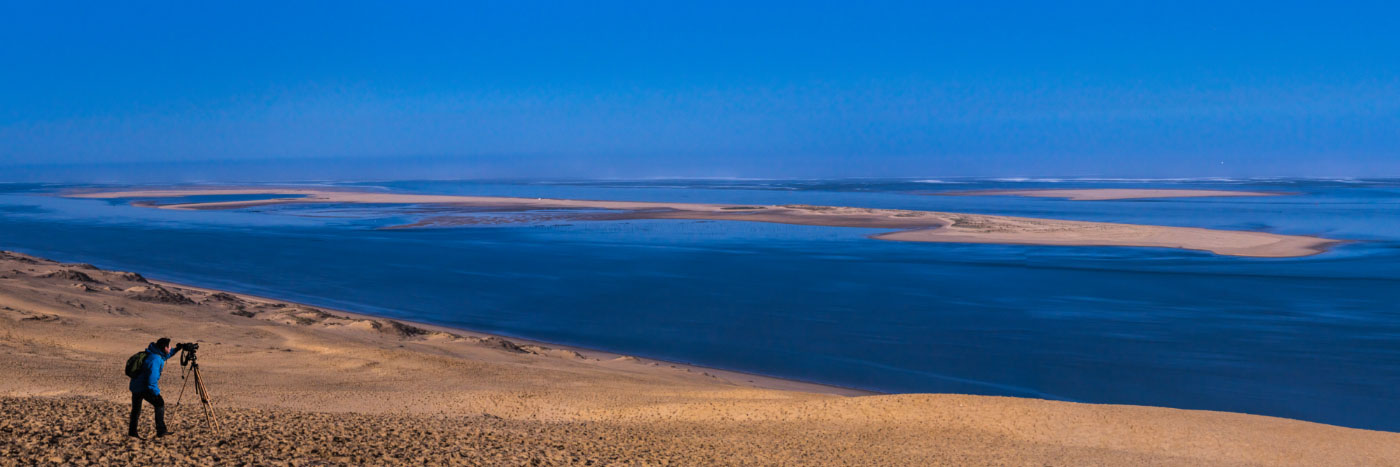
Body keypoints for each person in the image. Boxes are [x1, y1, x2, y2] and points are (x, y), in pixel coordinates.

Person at [128, 337, 178, 438]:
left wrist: (178, 349)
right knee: (159, 403)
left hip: (135, 385)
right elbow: (152, 380)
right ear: (164, 347)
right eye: (169, 346)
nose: (170, 348)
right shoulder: (155, 359)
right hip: (143, 387)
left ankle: (132, 432)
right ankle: (161, 430)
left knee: (136, 409)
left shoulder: (155, 353)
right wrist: (156, 393)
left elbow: (166, 355)